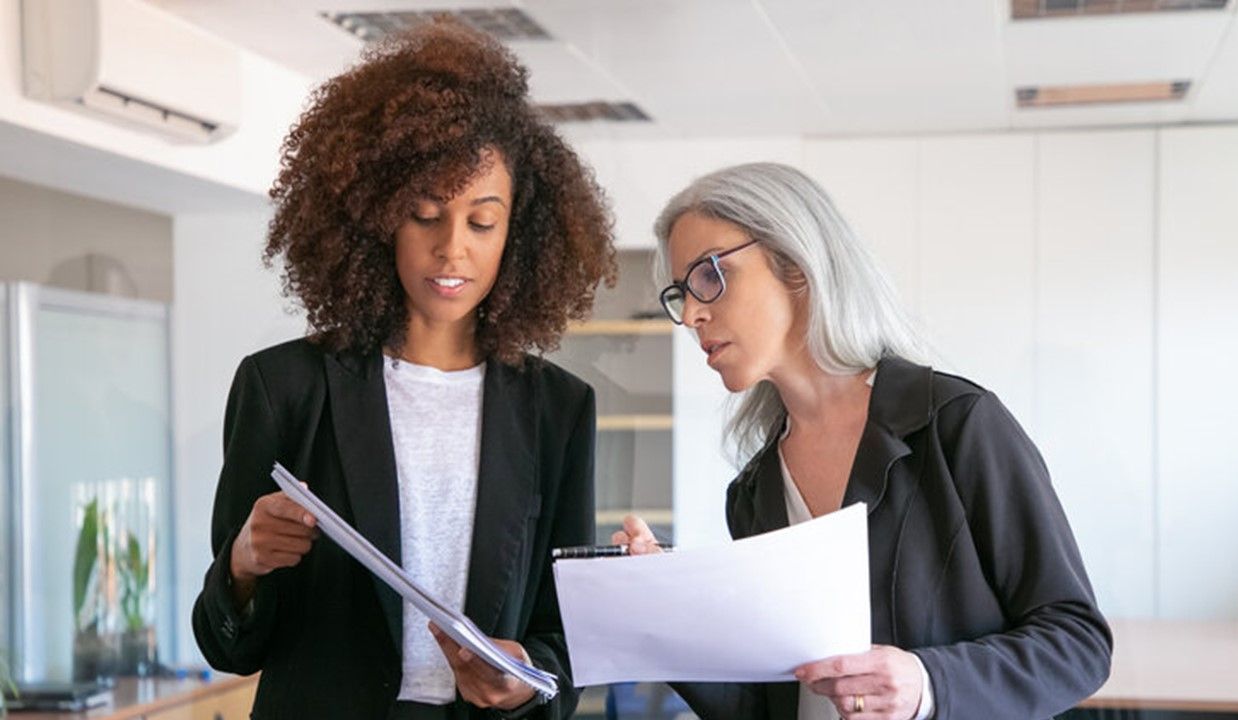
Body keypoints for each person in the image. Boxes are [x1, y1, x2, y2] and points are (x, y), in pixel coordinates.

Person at [191, 20, 615, 720]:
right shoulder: (284, 388)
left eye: (482, 222)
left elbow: (562, 644)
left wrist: (526, 674)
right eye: (425, 215)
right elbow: (229, 646)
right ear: (378, 217)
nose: (452, 249)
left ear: (520, 233)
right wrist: (242, 562)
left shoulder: (558, 410)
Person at [615, 162, 1111, 720]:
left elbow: (1078, 643)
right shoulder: (753, 493)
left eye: (709, 277)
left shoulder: (958, 425)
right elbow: (766, 702)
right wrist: (660, 606)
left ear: (796, 264)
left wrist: (928, 685)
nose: (692, 315)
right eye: (681, 293)